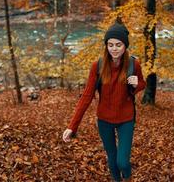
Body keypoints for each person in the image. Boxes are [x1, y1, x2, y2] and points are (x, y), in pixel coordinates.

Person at [62, 22, 146, 182]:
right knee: (112, 161)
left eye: (118, 45)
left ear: (125, 46)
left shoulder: (133, 64)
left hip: (126, 119)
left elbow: (142, 83)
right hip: (104, 120)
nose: (114, 49)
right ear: (106, 45)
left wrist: (137, 84)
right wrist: (72, 127)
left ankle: (127, 178)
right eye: (110, 45)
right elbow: (86, 96)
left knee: (123, 162)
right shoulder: (98, 66)